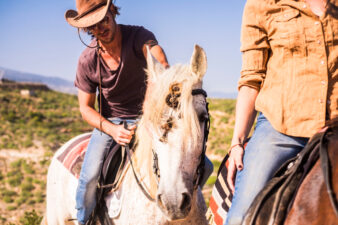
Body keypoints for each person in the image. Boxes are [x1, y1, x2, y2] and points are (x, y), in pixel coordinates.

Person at [225, 0, 337, 224]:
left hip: (336, 126)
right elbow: (251, 78)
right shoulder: (262, 5)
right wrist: (237, 142)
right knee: (241, 216)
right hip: (282, 129)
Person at [64, 0, 169, 224]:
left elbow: (160, 63)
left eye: (104, 20)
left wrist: (148, 117)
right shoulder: (87, 60)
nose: (101, 28)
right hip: (112, 121)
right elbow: (85, 108)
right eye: (93, 26)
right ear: (86, 29)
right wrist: (112, 130)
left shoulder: (139, 36)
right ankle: (85, 221)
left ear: (113, 11)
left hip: (148, 117)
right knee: (89, 179)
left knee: (202, 165)